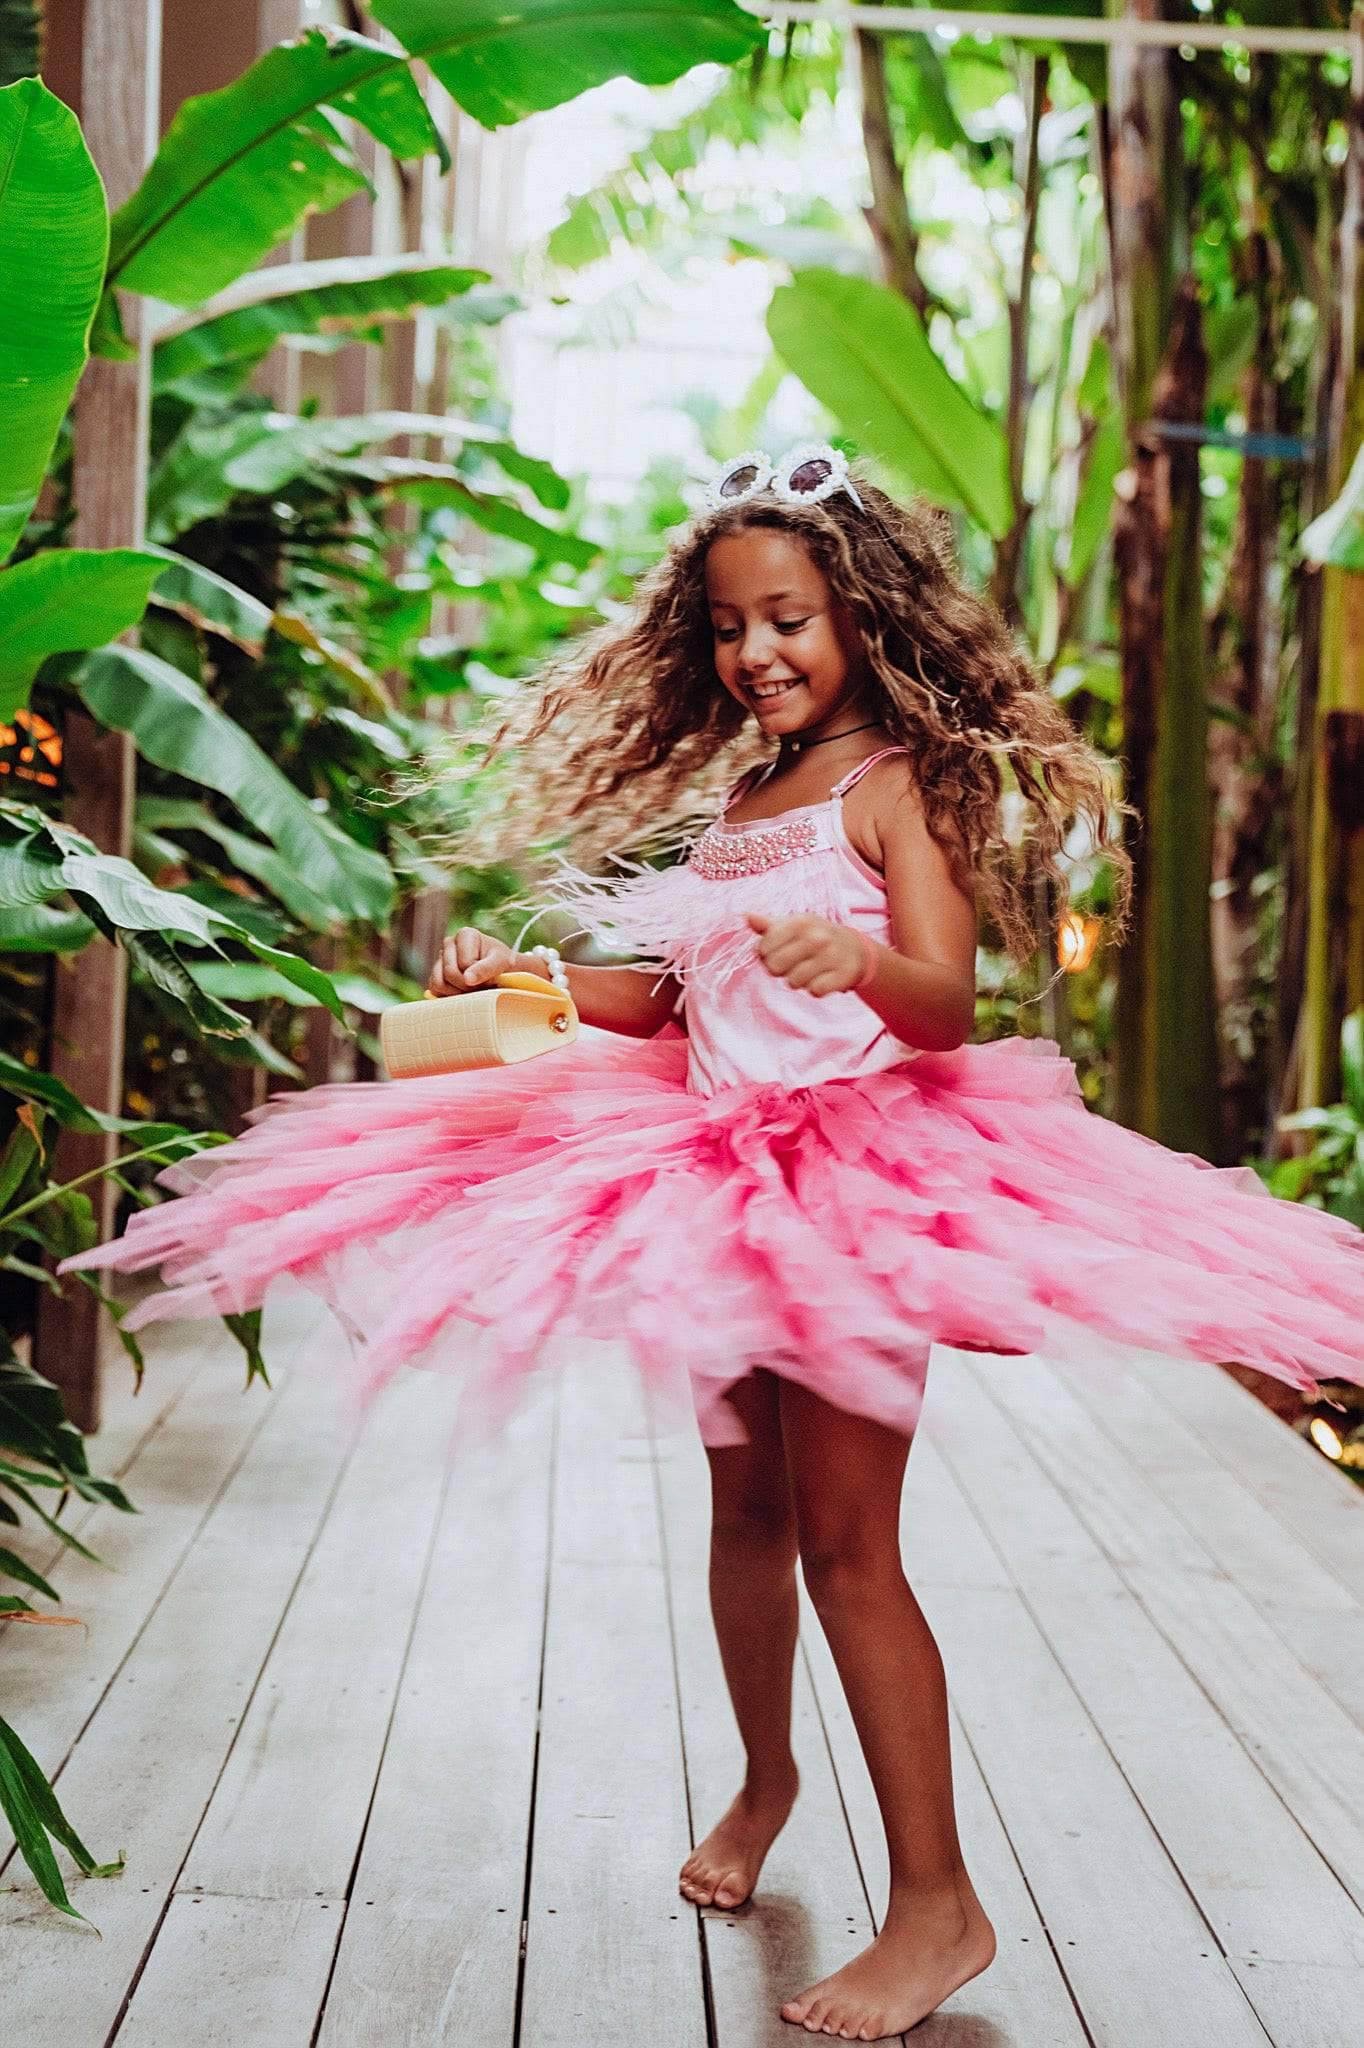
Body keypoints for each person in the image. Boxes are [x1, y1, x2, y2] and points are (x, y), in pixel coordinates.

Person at [64, 445, 1364, 2042]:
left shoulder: (899, 786)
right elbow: (672, 999)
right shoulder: (744, 801)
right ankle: (765, 1781)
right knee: (742, 1508)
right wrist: (529, 978)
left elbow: (949, 999)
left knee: (849, 1547)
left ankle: (940, 1906)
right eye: (735, 624)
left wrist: (857, 957)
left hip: (866, 1187)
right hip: (722, 1174)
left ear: (865, 619)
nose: (761, 652)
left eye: (793, 619)